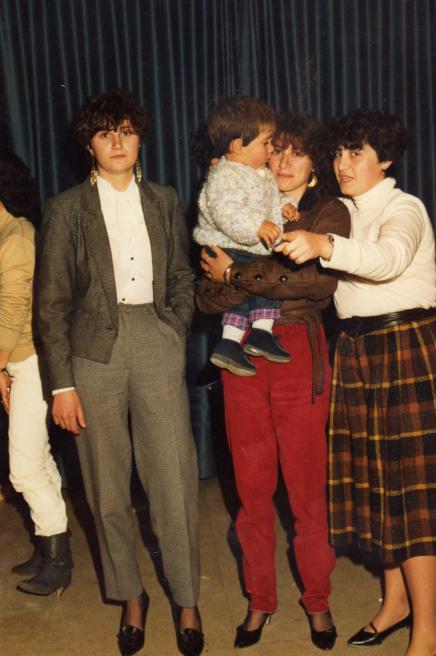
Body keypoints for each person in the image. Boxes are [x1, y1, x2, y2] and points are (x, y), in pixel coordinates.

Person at [275, 108, 436, 656]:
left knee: (413, 497)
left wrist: (324, 245)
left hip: (407, 347)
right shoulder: (341, 210)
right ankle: (395, 603)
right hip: (357, 350)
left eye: (357, 153)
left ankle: (428, 631)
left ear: (387, 159)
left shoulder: (405, 208)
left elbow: (389, 258)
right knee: (380, 488)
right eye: (338, 153)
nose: (343, 163)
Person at [37, 89, 203, 656]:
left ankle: (187, 599)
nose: (117, 142)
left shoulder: (164, 199)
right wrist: (62, 384)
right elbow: (51, 304)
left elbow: (182, 275)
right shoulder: (65, 209)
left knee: (173, 479)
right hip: (92, 356)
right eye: (105, 133)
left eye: (126, 132)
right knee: (106, 487)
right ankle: (131, 596)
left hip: (155, 341)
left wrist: (173, 327)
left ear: (139, 139)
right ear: (89, 144)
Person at [198, 112, 351, 651]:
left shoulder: (327, 212)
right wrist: (240, 279)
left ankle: (318, 599)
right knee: (252, 488)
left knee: (306, 489)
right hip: (240, 354)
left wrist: (234, 274)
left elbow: (313, 282)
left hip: (299, 353)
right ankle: (260, 599)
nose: (283, 160)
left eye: (297, 152)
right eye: (277, 149)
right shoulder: (235, 204)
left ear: (315, 166)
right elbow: (205, 295)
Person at [0, 149, 71, 596]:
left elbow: (13, 310)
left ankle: (59, 562)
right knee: (38, 459)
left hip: (30, 361)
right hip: (17, 360)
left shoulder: (17, 235)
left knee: (24, 469)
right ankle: (50, 546)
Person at [193, 96, 300, 377]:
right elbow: (226, 211)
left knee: (254, 292)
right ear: (238, 146)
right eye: (266, 143)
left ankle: (247, 339)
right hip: (230, 244)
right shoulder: (225, 174)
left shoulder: (258, 173)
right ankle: (241, 338)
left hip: (246, 247)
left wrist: (283, 205)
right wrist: (256, 226)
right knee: (248, 293)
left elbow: (266, 199)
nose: (271, 149)